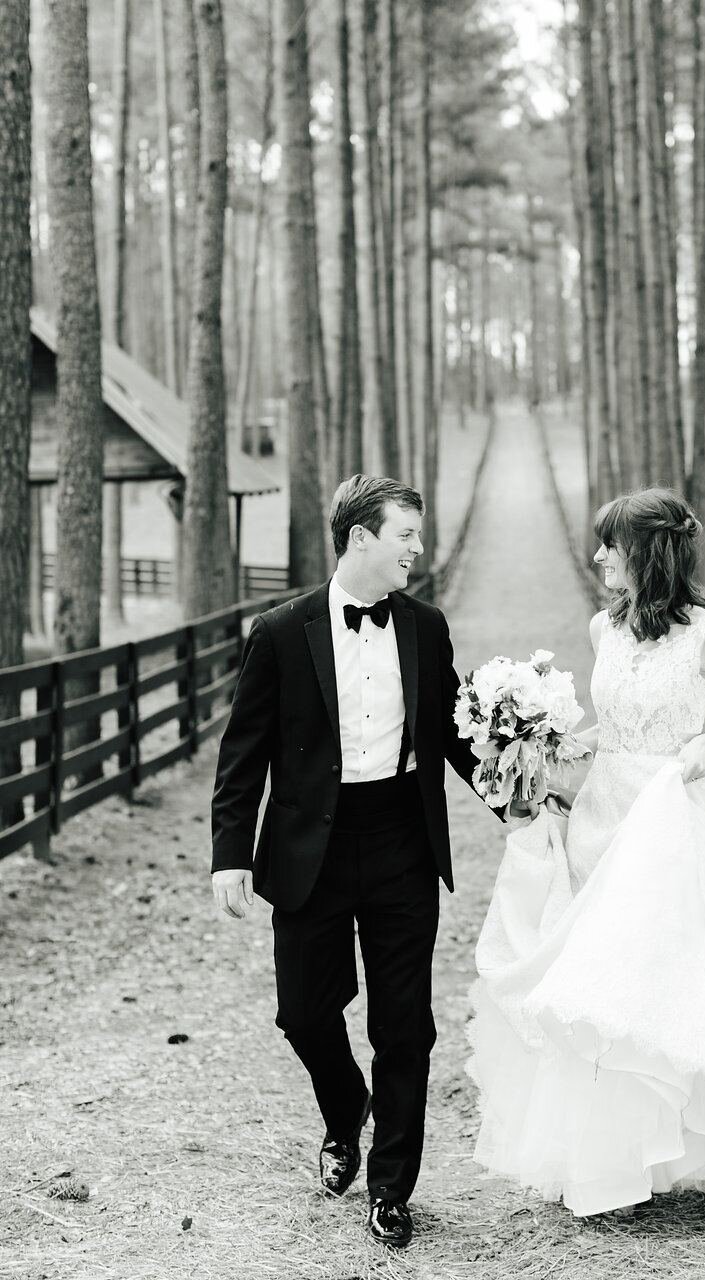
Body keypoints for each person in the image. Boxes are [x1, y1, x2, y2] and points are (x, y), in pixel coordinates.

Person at [468, 486, 705, 1234]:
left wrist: (702, 747)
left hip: (671, 819)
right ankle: (616, 1157)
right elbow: (607, 729)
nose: (597, 559)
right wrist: (543, 744)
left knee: (693, 980)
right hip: (603, 819)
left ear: (647, 553)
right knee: (606, 987)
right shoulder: (601, 628)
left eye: (609, 547)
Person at [210, 475, 510, 1249]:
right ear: (361, 539)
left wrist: (511, 793)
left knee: (405, 1025)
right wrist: (228, 856)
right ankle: (348, 1115)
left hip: (402, 841)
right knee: (304, 1013)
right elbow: (242, 754)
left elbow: (450, 733)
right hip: (309, 844)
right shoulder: (280, 632)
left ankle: (390, 1187)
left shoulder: (427, 627)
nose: (419, 547)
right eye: (407, 534)